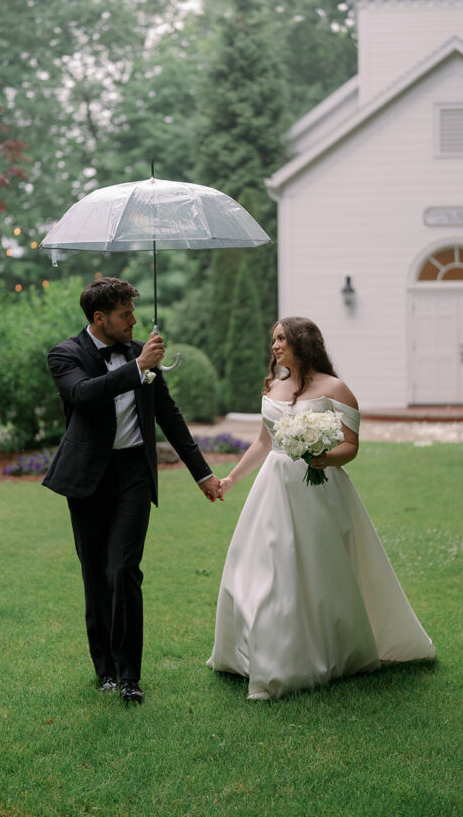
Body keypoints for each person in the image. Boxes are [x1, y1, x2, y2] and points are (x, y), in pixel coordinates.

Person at [207, 316, 436, 701]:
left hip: (320, 491)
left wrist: (327, 459)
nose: (275, 346)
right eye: (273, 340)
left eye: (281, 338)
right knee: (265, 567)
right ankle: (260, 655)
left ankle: (325, 651)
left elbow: (351, 445)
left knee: (318, 567)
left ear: (302, 342)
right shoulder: (273, 386)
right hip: (273, 489)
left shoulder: (336, 389)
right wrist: (231, 479)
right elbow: (264, 443)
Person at [44, 277, 222, 704]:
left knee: (123, 569)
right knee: (96, 576)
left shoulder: (141, 354)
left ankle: (129, 677)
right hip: (86, 477)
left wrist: (203, 474)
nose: (133, 320)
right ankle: (104, 668)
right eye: (125, 314)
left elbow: (169, 416)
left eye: (133, 312)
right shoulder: (65, 354)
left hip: (133, 475)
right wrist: (138, 367)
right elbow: (83, 394)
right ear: (99, 318)